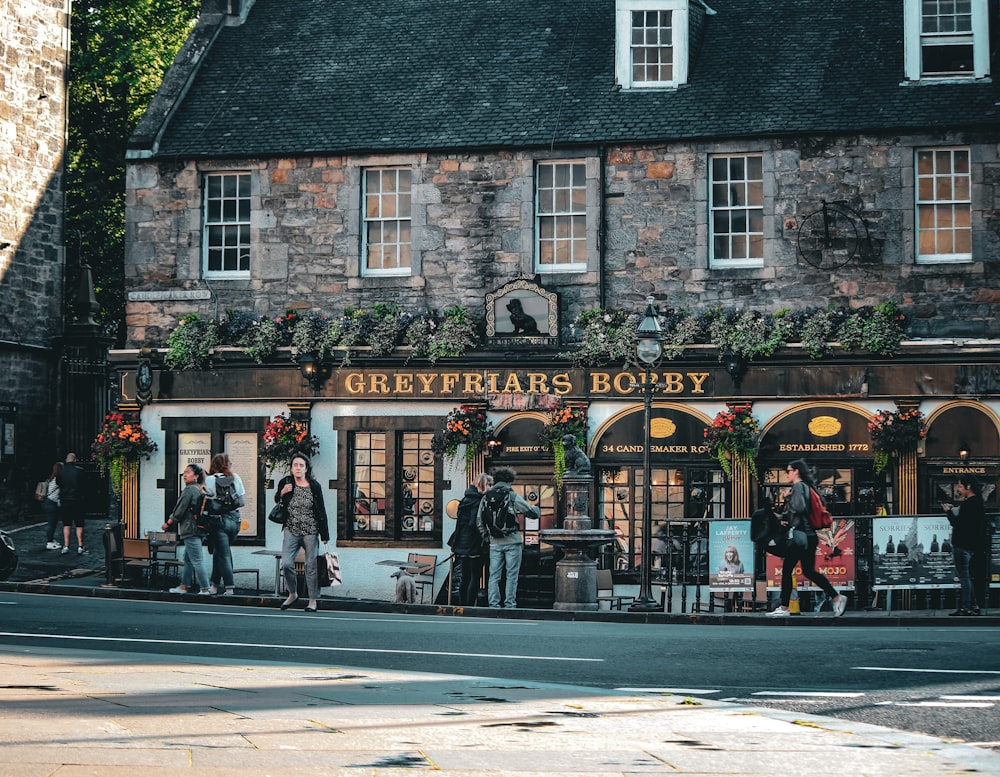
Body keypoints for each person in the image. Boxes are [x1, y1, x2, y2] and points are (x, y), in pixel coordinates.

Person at [767, 459, 847, 617]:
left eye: (788, 471)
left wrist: (787, 498)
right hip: (808, 536)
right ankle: (837, 597)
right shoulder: (806, 487)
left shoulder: (798, 486)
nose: (787, 474)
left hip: (800, 536)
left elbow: (799, 508)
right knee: (809, 571)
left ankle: (784, 608)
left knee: (788, 570)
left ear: (796, 471)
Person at [476, 466, 540, 609]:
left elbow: (479, 521)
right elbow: (530, 511)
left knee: (494, 576)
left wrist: (487, 536)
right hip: (512, 541)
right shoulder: (511, 495)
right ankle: (510, 604)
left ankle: (493, 604)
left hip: (494, 543)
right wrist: (537, 509)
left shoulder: (486, 496)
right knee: (512, 575)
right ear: (509, 481)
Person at [275, 452, 330, 612]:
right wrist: (282, 492)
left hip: (311, 530)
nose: (298, 468)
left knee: (311, 566)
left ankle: (312, 600)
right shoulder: (285, 482)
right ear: (291, 468)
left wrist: (325, 534)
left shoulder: (315, 486)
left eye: (301, 465)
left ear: (306, 468)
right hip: (291, 529)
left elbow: (321, 509)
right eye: (295, 465)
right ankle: (292, 593)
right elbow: (276, 499)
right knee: (286, 563)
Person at [162, 463, 211, 595]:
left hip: (190, 529)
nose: (185, 475)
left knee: (197, 560)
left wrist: (168, 523)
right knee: (188, 559)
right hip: (200, 529)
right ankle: (184, 586)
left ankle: (205, 588)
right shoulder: (201, 488)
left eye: (188, 472)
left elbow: (179, 510)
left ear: (195, 476)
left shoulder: (189, 490)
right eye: (184, 472)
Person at [942, 474, 987, 616]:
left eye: (961, 486)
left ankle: (966, 607)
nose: (959, 489)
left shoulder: (969, 504)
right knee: (967, 576)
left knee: (964, 577)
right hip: (973, 545)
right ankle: (974, 606)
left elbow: (958, 524)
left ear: (968, 487)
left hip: (962, 545)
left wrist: (949, 512)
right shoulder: (978, 503)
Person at [204, 452, 246, 596]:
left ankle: (229, 588)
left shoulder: (209, 480)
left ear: (214, 466)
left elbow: (207, 500)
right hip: (235, 521)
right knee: (220, 552)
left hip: (219, 521)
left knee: (224, 554)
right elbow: (242, 502)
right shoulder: (236, 478)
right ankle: (214, 586)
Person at [449, 472, 492, 606]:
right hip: (474, 544)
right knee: (475, 576)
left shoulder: (466, 498)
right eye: (489, 484)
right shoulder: (478, 501)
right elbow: (475, 523)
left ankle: (463, 605)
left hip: (461, 542)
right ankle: (469, 606)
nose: (491, 487)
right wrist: (485, 535)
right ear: (483, 485)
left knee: (465, 576)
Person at [56, 453, 87, 555]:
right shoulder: (80, 471)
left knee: (66, 524)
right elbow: (84, 485)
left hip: (65, 500)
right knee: (79, 524)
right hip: (77, 500)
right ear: (75, 460)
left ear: (66, 460)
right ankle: (80, 546)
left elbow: (58, 483)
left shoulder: (61, 472)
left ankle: (66, 546)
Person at [41, 461, 62, 550]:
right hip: (51, 503)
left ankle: (51, 540)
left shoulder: (52, 478)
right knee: (51, 524)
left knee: (52, 523)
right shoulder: (58, 479)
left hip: (47, 502)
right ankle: (49, 542)